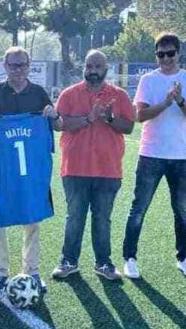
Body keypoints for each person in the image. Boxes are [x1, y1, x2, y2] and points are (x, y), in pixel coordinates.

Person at [0, 46, 59, 294]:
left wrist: (53, 114)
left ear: (29, 66)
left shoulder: (38, 93)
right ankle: (0, 271)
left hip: (31, 170)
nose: (18, 69)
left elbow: (58, 123)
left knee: (33, 217)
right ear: (5, 66)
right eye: (13, 65)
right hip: (2, 169)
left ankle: (32, 270)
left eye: (23, 64)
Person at [121, 33, 186, 280]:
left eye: (170, 54)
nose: (166, 59)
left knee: (181, 210)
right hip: (151, 154)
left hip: (181, 156)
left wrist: (179, 100)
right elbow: (140, 116)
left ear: (179, 53)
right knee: (139, 208)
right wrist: (166, 103)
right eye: (160, 54)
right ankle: (129, 258)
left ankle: (184, 258)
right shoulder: (148, 80)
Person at [51, 50, 135, 281]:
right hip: (75, 168)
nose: (93, 71)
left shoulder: (119, 95)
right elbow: (59, 124)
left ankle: (104, 263)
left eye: (98, 66)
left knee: (102, 219)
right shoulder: (69, 94)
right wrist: (88, 119)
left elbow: (128, 127)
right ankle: (69, 261)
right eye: (89, 66)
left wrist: (109, 118)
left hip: (108, 169)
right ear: (84, 68)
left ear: (106, 69)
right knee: (74, 217)